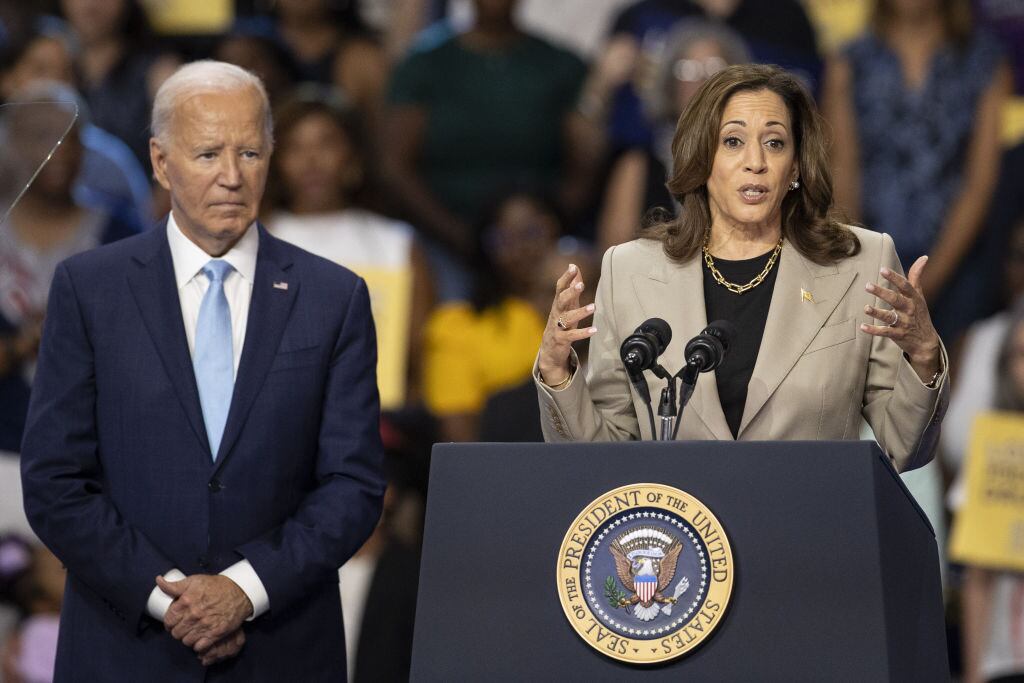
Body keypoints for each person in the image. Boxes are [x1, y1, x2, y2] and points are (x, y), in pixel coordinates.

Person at [19, 61, 384, 679]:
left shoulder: (334, 298)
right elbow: (55, 481)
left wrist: (244, 590)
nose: (232, 177)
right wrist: (172, 601)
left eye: (249, 152)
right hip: (124, 648)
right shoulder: (89, 290)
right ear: (161, 163)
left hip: (281, 649)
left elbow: (353, 485)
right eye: (208, 153)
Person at [535, 63, 948, 473]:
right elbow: (602, 455)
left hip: (811, 528)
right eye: (732, 141)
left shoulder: (861, 263)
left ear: (797, 166)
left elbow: (904, 447)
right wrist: (557, 372)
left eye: (774, 143)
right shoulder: (630, 270)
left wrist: (924, 352)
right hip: (684, 530)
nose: (756, 161)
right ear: (702, 159)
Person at [823, 0, 1011, 342]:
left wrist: (924, 284)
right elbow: (842, 171)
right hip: (867, 258)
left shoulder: (984, 63)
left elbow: (979, 183)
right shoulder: (849, 62)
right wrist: (859, 261)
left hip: (958, 264)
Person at [381, 0, 593, 301]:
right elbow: (395, 166)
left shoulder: (561, 65)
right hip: (443, 240)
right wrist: (459, 235)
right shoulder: (424, 64)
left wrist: (548, 227)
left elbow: (585, 165)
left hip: (542, 238)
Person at [266, 91, 434, 409]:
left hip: (380, 417)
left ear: (353, 155)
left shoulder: (396, 243)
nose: (311, 160)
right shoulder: (255, 241)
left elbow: (417, 353)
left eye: (326, 143)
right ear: (277, 161)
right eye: (295, 147)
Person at [0, 81, 137, 453]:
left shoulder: (123, 234)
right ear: (10, 143)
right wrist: (21, 344)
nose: (58, 150)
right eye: (42, 135)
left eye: (71, 137)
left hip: (98, 454)